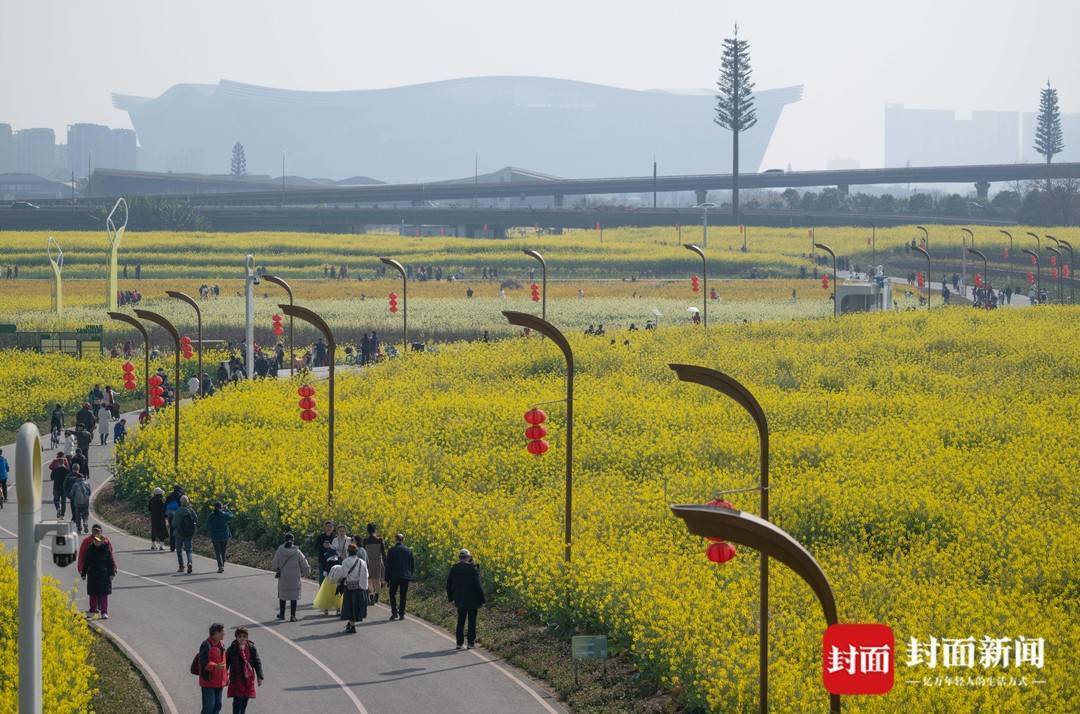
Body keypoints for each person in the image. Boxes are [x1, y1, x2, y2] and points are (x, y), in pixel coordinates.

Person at [447, 548, 486, 649]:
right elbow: (478, 585)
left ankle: (459, 643)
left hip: (460, 600)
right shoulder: (473, 569)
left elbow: (448, 584)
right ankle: (470, 643)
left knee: (460, 621)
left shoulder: (454, 568)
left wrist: (451, 598)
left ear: (459, 557)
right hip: (473, 601)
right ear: (468, 557)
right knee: (471, 622)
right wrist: (483, 599)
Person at [77, 524, 116, 619]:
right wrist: (82, 571)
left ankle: (103, 611)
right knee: (93, 593)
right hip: (93, 574)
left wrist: (112, 571)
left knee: (103, 593)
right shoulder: (88, 544)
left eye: (98, 531)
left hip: (104, 574)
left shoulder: (106, 545)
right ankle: (93, 610)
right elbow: (84, 558)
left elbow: (110, 560)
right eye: (94, 530)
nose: (96, 532)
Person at [271, 533, 310, 621]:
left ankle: (282, 614)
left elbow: (274, 563)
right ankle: (293, 616)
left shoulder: (280, 550)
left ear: (284, 540)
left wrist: (276, 568)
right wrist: (307, 572)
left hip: (284, 576)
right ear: (293, 540)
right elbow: (304, 562)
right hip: (295, 577)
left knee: (282, 595)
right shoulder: (297, 551)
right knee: (294, 596)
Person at [225, 627, 264, 714]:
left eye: (244, 636)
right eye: (240, 636)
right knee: (237, 703)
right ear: (236, 637)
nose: (242, 638)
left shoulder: (252, 648)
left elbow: (257, 662)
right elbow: (226, 664)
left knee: (244, 703)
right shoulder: (232, 649)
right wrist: (225, 676)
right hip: (236, 680)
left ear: (247, 637)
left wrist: (259, 677)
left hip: (248, 680)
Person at [334, 542, 369, 633]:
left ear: (348, 552)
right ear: (356, 552)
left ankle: (352, 625)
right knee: (356, 607)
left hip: (348, 586)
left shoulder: (345, 561)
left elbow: (343, 574)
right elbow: (366, 575)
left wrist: (338, 582)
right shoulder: (362, 562)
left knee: (349, 607)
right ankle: (351, 624)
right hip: (359, 587)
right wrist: (365, 587)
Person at [196, 623, 229, 714]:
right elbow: (203, 663)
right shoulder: (206, 645)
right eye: (222, 632)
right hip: (208, 682)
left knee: (218, 705)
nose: (224, 634)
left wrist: (226, 677)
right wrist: (215, 666)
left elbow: (224, 662)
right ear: (215, 633)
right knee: (209, 707)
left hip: (219, 682)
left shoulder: (221, 644)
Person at [386, 533, 414, 621]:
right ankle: (402, 614)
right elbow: (412, 565)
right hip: (405, 576)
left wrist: (387, 578)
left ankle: (394, 613)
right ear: (403, 540)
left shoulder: (391, 550)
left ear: (395, 539)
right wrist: (410, 575)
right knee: (403, 595)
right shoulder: (409, 550)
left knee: (392, 594)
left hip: (394, 576)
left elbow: (388, 565)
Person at [172, 495, 198, 573]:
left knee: (179, 550)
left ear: (180, 502)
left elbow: (174, 524)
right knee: (189, 550)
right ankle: (189, 562)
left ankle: (181, 567)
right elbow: (196, 519)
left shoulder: (178, 511)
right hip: (189, 533)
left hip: (179, 533)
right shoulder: (191, 510)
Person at [313, 551, 343, 616]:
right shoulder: (339, 561)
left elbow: (325, 573)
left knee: (326, 595)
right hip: (338, 580)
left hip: (329, 580)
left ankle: (326, 610)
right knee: (338, 595)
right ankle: (338, 610)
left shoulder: (328, 561)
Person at [363, 523, 386, 605]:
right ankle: (376, 595)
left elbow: (364, 553)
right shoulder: (380, 540)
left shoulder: (365, 541)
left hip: (368, 561)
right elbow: (383, 553)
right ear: (375, 530)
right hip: (378, 561)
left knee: (369, 580)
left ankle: (371, 595)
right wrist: (385, 563)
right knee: (377, 579)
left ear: (367, 531)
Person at [208, 501, 234, 573]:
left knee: (218, 552)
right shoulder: (224, 514)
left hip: (215, 536)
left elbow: (209, 524)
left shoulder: (211, 515)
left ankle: (220, 566)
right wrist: (227, 509)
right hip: (224, 536)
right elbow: (232, 515)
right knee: (223, 551)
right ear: (220, 507)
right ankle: (222, 565)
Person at [313, 520, 335, 584]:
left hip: (333, 561)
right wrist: (323, 546)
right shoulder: (320, 537)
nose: (329, 528)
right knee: (322, 578)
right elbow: (315, 547)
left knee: (332, 578)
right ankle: (322, 593)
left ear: (333, 528)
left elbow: (337, 549)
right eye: (327, 526)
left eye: (330, 527)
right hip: (322, 561)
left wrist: (331, 546)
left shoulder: (335, 537)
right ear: (325, 527)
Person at [49, 451, 70, 518]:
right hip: (64, 488)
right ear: (63, 462)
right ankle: (62, 515)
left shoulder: (55, 470)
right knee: (63, 502)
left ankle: (58, 508)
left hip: (56, 487)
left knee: (56, 500)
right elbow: (69, 478)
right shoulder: (66, 470)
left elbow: (52, 478)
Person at [164, 485, 184, 551]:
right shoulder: (180, 496)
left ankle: (172, 547)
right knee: (179, 530)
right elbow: (182, 505)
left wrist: (165, 516)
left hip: (170, 514)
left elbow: (165, 505)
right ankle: (178, 546)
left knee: (172, 530)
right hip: (178, 514)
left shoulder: (170, 496)